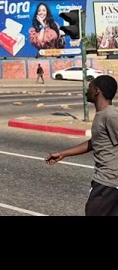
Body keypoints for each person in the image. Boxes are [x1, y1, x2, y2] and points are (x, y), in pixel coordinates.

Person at [45, 75, 118, 216]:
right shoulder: (102, 115)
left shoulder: (110, 115)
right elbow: (94, 142)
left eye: (89, 87)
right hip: (107, 183)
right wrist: (64, 154)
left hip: (109, 184)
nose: (86, 91)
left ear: (97, 91)